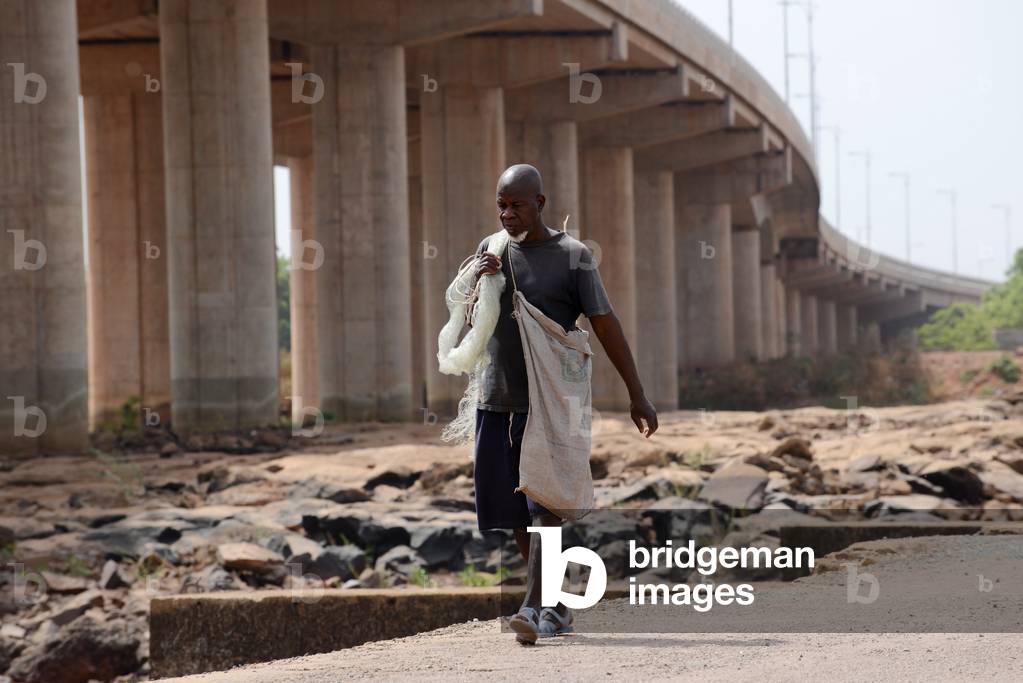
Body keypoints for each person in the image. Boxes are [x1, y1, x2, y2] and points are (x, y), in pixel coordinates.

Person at [470, 163, 658, 645]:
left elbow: (605, 323)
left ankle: (531, 608)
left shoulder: (572, 256)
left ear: (541, 204)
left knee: (545, 505)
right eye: (501, 205)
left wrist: (636, 393)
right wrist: (481, 282)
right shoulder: (492, 251)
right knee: (515, 514)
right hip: (497, 399)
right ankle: (556, 607)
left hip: (552, 402)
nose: (508, 214)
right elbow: (472, 321)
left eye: (517, 205)